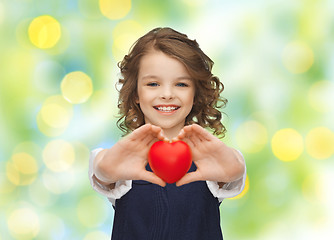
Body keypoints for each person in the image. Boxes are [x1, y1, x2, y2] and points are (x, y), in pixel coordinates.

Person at [89, 27, 246, 240]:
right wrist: (104, 171)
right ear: (135, 92)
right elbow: (102, 170)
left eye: (181, 84)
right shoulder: (121, 161)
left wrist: (235, 170)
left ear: (195, 93)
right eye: (153, 84)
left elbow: (232, 167)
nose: (167, 94)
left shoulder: (211, 159)